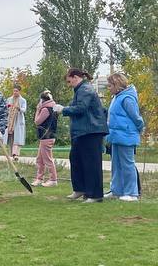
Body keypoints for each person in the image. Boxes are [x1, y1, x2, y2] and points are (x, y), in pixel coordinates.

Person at [53, 69, 106, 202]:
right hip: (82, 131)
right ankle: (80, 189)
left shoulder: (85, 89)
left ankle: (95, 195)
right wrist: (64, 108)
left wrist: (63, 109)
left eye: (69, 81)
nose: (69, 84)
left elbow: (81, 108)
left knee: (91, 163)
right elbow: (76, 106)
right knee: (76, 159)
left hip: (91, 131)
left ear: (75, 77)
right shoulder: (80, 90)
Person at [105, 72, 144, 201]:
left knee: (128, 165)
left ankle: (132, 193)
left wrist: (139, 129)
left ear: (117, 85)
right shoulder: (117, 97)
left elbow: (136, 117)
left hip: (126, 135)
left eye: (110, 85)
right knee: (116, 165)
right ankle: (117, 190)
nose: (108, 88)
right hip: (116, 136)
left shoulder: (127, 98)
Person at [33, 90, 59, 187]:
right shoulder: (54, 108)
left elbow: (37, 121)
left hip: (46, 137)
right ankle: (39, 178)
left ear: (42, 100)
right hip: (48, 137)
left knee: (47, 159)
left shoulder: (45, 109)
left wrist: (37, 109)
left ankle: (53, 179)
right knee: (40, 159)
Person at [7, 83, 27, 159]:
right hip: (10, 120)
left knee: (18, 138)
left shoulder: (22, 100)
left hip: (18, 120)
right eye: (14, 91)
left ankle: (16, 154)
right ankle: (11, 154)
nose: (15, 92)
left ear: (19, 92)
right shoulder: (9, 99)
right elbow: (6, 108)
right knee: (11, 138)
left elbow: (24, 110)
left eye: (16, 91)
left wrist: (19, 108)